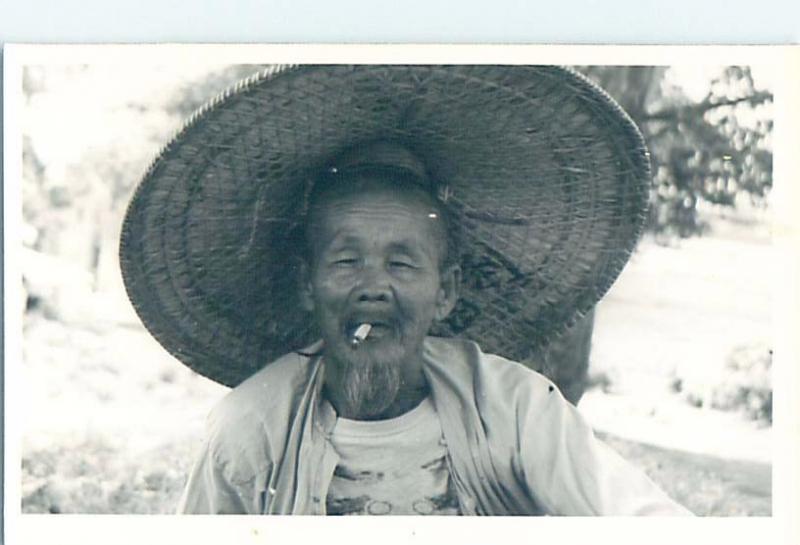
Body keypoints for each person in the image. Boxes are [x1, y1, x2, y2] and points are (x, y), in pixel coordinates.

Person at [120, 65, 691, 516]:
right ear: (306, 285)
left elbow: (638, 516)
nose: (374, 287)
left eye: (403, 262)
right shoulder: (249, 431)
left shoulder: (515, 408)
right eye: (346, 260)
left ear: (447, 291)